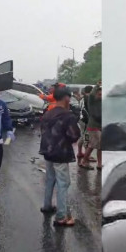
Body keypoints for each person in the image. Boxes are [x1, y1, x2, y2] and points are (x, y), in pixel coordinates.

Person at [39, 86, 81, 226]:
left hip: (47, 152)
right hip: (61, 154)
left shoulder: (47, 114)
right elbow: (74, 136)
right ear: (66, 98)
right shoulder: (67, 116)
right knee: (63, 183)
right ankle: (61, 217)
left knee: (50, 179)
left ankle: (47, 206)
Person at [79, 85, 102, 171]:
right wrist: (97, 85)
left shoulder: (100, 102)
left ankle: (99, 163)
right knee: (91, 144)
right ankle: (84, 161)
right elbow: (92, 94)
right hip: (92, 125)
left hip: (99, 126)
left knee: (99, 146)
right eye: (99, 94)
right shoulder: (91, 100)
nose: (100, 96)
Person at [77, 86, 93, 161]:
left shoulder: (82, 98)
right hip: (85, 120)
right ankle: (87, 156)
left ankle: (80, 152)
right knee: (87, 137)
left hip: (81, 119)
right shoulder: (88, 98)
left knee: (83, 136)